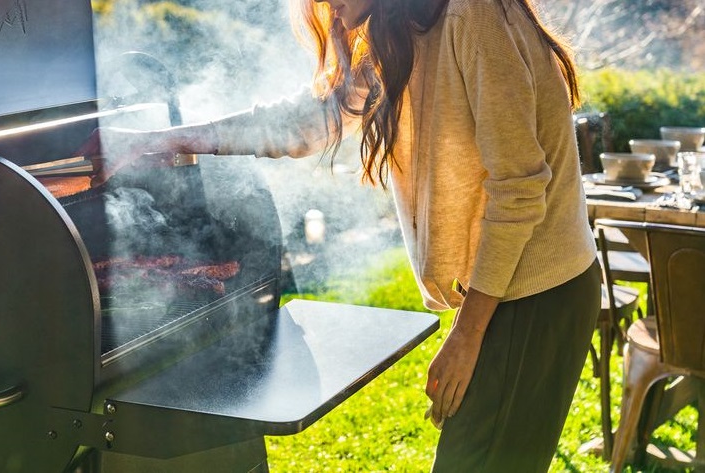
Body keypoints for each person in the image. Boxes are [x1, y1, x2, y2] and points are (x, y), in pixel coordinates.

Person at [78, 0, 601, 470]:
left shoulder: (474, 13)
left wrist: (467, 335)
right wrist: (166, 139)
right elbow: (310, 122)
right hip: (499, 292)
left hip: (536, 294)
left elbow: (521, 190)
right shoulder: (397, 33)